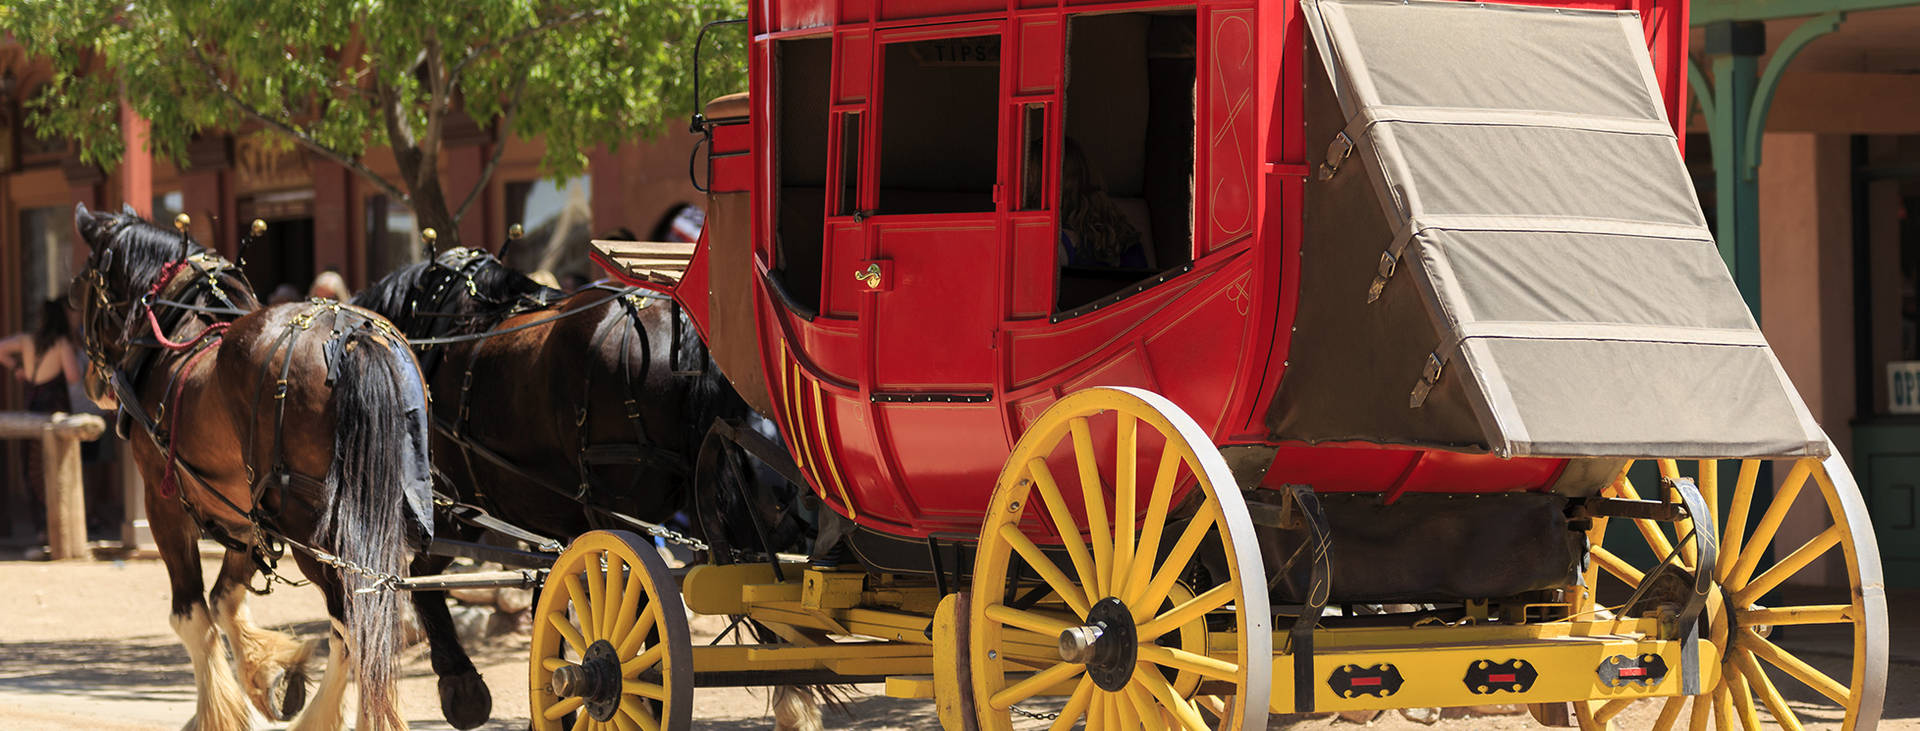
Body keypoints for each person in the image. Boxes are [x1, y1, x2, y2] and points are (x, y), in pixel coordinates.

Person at [0, 300, 84, 542]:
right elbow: (72, 376)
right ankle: (60, 530)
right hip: (54, 410)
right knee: (56, 467)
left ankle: (40, 528)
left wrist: (18, 367)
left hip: (32, 406)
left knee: (32, 468)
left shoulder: (27, 340)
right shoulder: (61, 344)